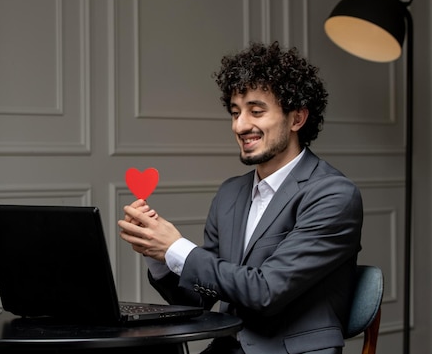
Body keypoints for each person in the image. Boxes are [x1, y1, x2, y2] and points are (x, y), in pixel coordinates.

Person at [118, 41, 363, 354]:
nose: (240, 125)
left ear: (297, 119)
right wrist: (159, 256)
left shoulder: (333, 195)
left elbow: (267, 290)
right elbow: (198, 300)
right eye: (235, 113)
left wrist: (175, 247)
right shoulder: (231, 192)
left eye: (256, 111)